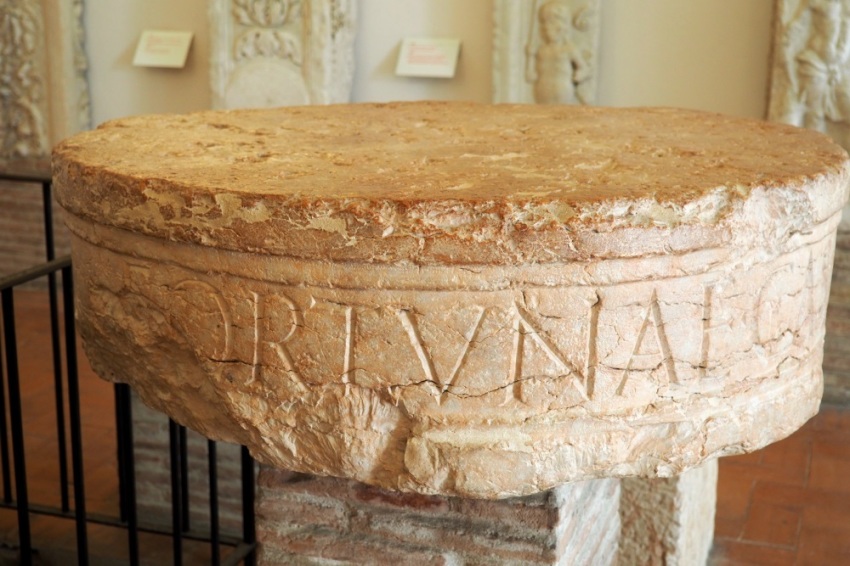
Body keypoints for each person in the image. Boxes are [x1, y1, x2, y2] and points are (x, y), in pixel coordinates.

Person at [526, 0, 591, 105]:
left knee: (560, 117)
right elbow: (531, 76)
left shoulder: (569, 49)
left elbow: (584, 68)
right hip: (542, 92)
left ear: (561, 26)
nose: (546, 27)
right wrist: (530, 56)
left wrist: (579, 74)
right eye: (544, 23)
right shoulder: (541, 50)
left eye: (551, 23)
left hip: (562, 92)